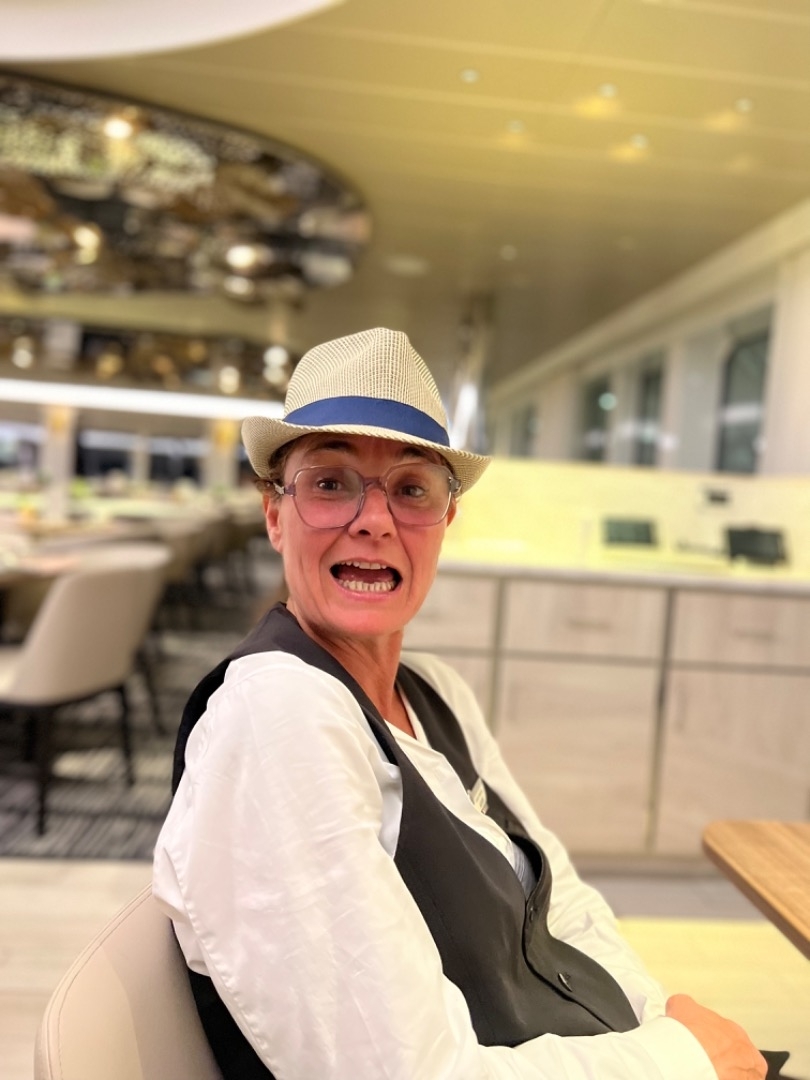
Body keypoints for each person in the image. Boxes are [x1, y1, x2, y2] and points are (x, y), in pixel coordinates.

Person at [153, 327, 778, 1080]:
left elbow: (561, 904)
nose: (374, 519)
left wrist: (663, 1022)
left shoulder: (435, 692)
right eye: (330, 483)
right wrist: (680, 1060)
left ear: (445, 521)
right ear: (274, 514)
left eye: (412, 489)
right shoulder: (275, 718)